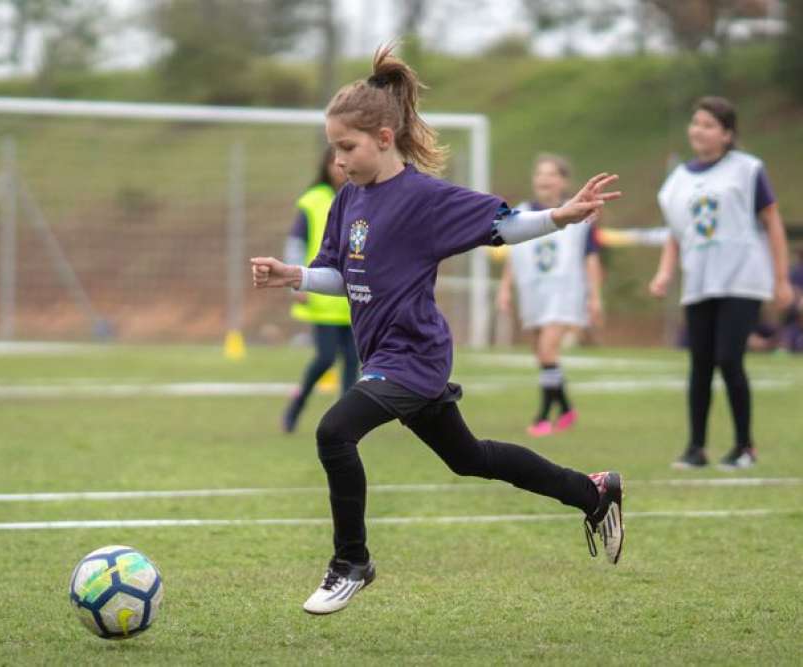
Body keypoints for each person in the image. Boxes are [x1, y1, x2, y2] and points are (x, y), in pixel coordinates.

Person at [250, 45, 625, 616]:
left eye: (346, 146)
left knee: (334, 432)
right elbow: (339, 274)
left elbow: (502, 225)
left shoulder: (425, 198)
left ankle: (351, 562)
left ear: (382, 136)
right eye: (333, 147)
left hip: (413, 355)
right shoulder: (348, 199)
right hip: (385, 354)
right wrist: (294, 276)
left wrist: (560, 216)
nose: (339, 159)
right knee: (469, 457)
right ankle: (591, 492)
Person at [650, 96, 793, 470]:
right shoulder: (678, 180)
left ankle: (744, 446)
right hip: (700, 280)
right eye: (696, 122)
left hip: (743, 278)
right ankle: (696, 448)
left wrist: (781, 279)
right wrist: (665, 272)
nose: (699, 130)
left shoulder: (747, 170)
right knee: (700, 364)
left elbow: (772, 222)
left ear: (727, 134)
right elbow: (676, 234)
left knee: (729, 359)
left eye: (709, 125)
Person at [497, 154, 603, 437]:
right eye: (540, 174)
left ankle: (542, 417)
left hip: (564, 293)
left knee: (547, 351)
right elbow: (513, 255)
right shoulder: (521, 213)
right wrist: (505, 288)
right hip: (533, 293)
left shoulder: (579, 214)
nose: (544, 179)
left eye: (551, 174)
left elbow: (590, 258)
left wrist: (595, 297)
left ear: (564, 181)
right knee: (543, 356)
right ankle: (567, 408)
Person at [282, 147, 358, 433]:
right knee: (326, 358)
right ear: (326, 166)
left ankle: (346, 423)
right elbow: (296, 244)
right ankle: (296, 405)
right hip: (321, 297)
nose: (340, 167)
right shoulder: (313, 201)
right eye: (334, 162)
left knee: (352, 363)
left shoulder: (364, 197)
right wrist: (295, 280)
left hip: (353, 300)